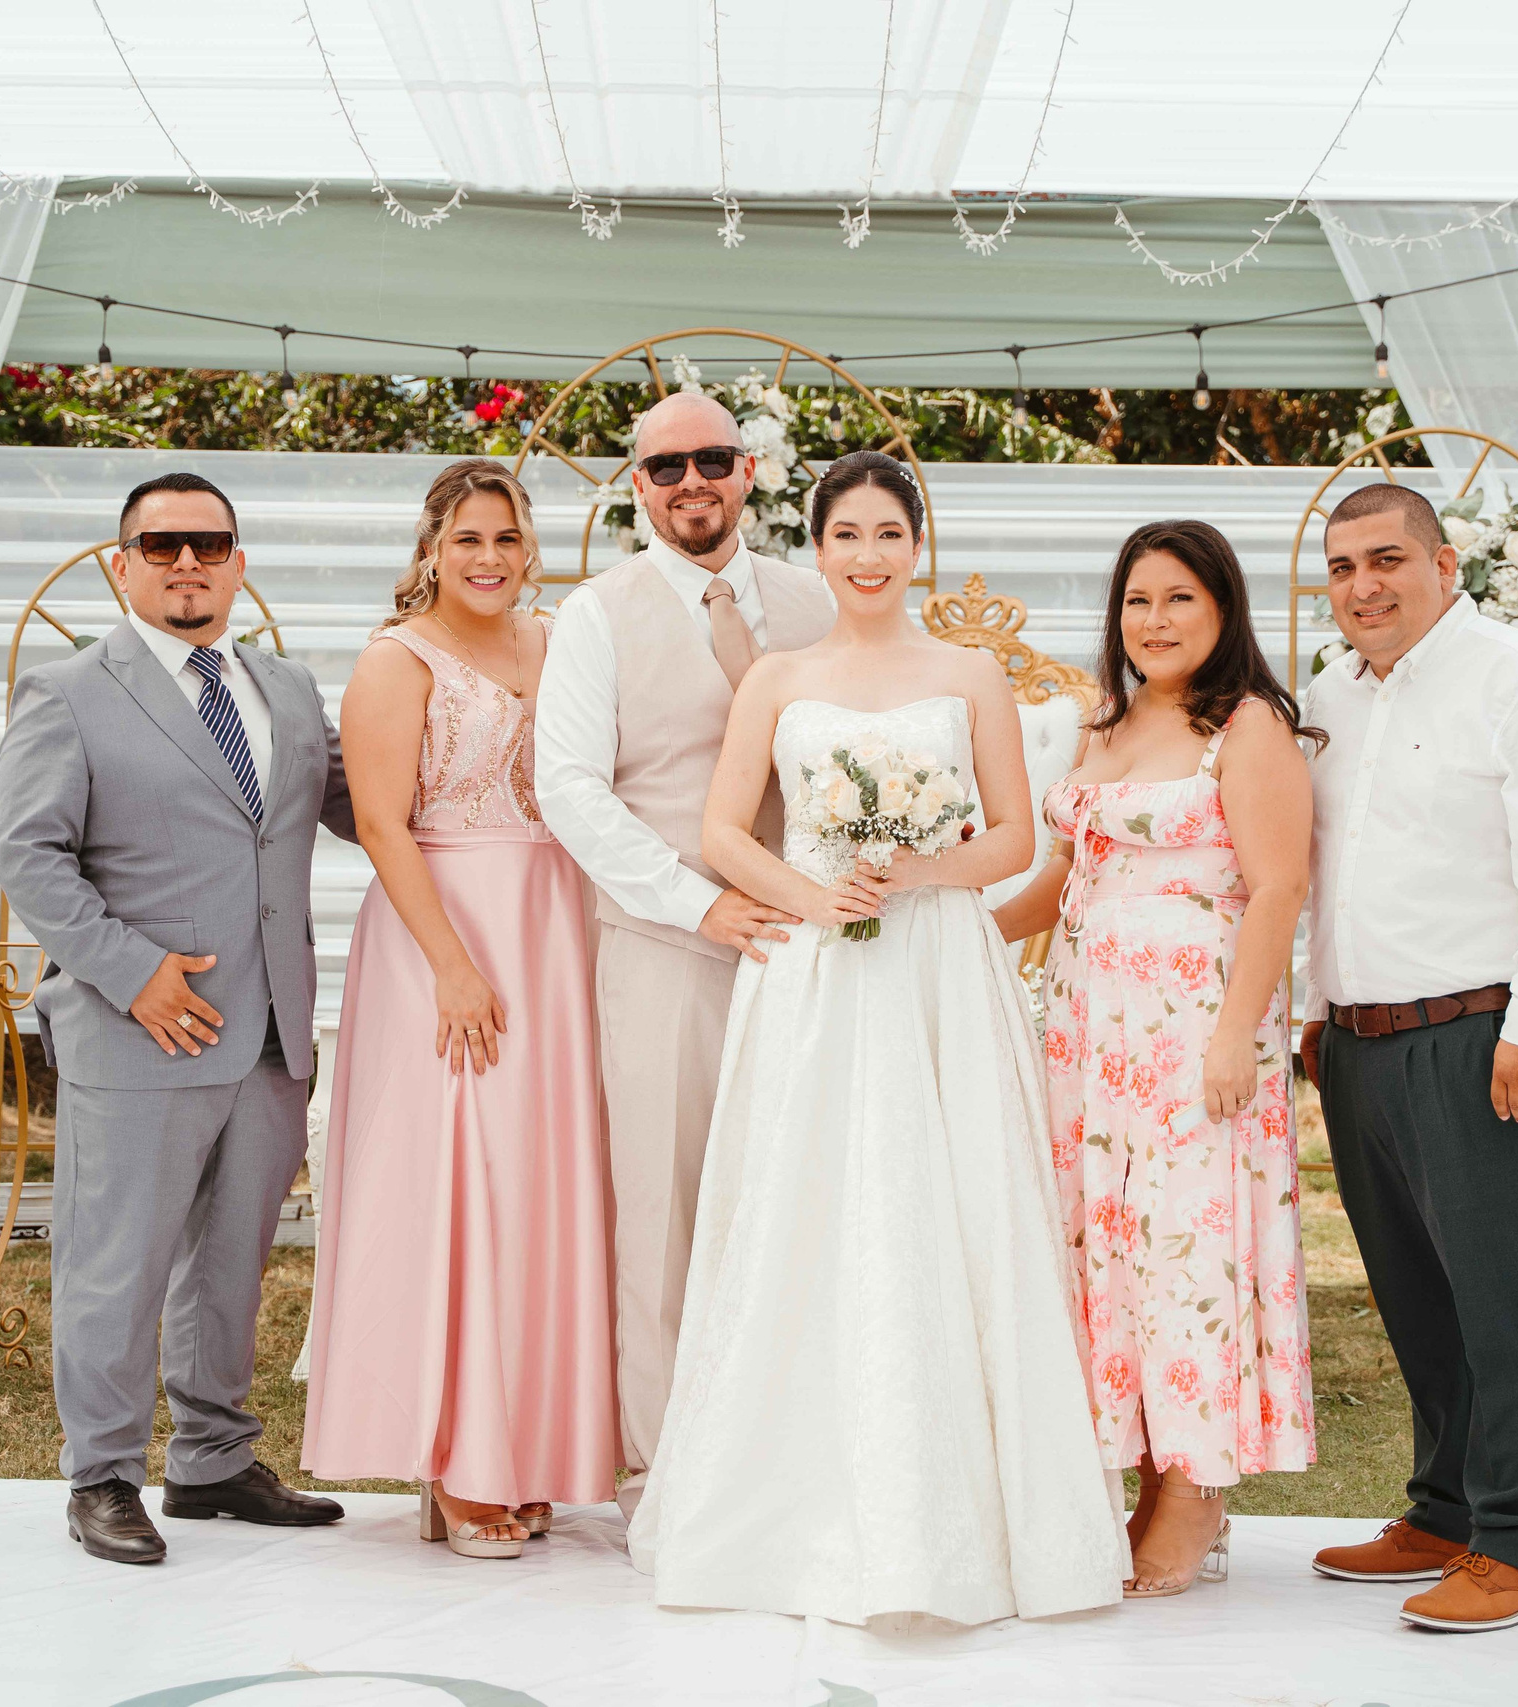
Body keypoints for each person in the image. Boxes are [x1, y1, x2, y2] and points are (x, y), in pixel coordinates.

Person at [627, 452, 1127, 1626]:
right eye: (844, 534)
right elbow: (721, 831)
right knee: (809, 1197)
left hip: (937, 966)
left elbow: (1014, 836)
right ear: (816, 547)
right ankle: (788, 1504)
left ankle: (979, 1512)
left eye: (887, 534)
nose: (866, 555)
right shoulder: (780, 678)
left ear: (918, 545)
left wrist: (920, 872)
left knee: (948, 1200)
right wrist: (813, 895)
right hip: (815, 971)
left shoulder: (968, 675)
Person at [0, 471, 357, 1565]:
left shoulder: (286, 691)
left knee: (231, 1262)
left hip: (268, 1034)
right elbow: (29, 855)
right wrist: (129, 970)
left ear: (239, 562)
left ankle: (210, 1460)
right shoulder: (69, 694)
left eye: (209, 544)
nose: (187, 563)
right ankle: (101, 1473)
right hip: (141, 1026)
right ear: (124, 564)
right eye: (162, 547)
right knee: (117, 1261)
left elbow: (364, 802)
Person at [1296, 482, 1518, 1633]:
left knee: (1500, 1293)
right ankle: (1442, 1513)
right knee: (1416, 1295)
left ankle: (1516, 1547)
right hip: (1358, 1040)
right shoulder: (1330, 694)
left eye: (1385, 559)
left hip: (1486, 1035)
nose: (1363, 586)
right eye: (1340, 568)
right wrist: (1312, 1012)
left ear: (1443, 565)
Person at [995, 519, 1319, 1598]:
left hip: (1192, 1029)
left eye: (1179, 598)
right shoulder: (1107, 722)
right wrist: (946, 924)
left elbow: (1277, 885)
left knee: (1190, 1247)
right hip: (1092, 1034)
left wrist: (1235, 1034)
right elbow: (1063, 882)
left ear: (1222, 608)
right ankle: (1133, 1463)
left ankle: (1195, 1489)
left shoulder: (1249, 725)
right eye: (1138, 600)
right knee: (1107, 1250)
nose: (1156, 620)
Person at [299, 459, 616, 1560]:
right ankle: (459, 1462)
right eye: (468, 538)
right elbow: (382, 824)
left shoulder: (559, 641)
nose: (489, 558)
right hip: (446, 935)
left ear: (532, 548)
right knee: (460, 1187)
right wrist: (452, 964)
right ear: (431, 548)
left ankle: (529, 1450)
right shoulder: (396, 662)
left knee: (542, 1187)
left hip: (554, 924)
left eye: (508, 538)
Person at [533, 390, 834, 1523]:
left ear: (750, 470)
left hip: (816, 949)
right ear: (637, 486)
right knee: (662, 1208)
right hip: (665, 945)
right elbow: (568, 788)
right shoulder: (596, 616)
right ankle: (664, 1476)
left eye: (712, 460)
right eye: (666, 468)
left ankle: (793, 1451)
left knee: (803, 1193)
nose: (691, 482)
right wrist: (692, 904)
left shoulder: (817, 601)